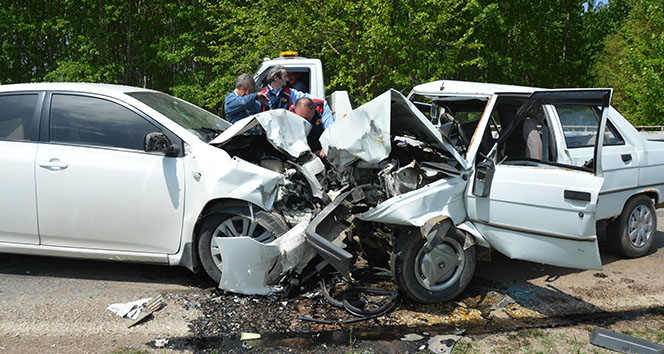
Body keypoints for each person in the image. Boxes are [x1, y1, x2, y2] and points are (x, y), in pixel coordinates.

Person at [258, 65, 335, 128]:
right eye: (285, 76)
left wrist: (321, 102)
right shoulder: (261, 94)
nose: (287, 79)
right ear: (276, 78)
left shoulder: (290, 93)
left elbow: (308, 98)